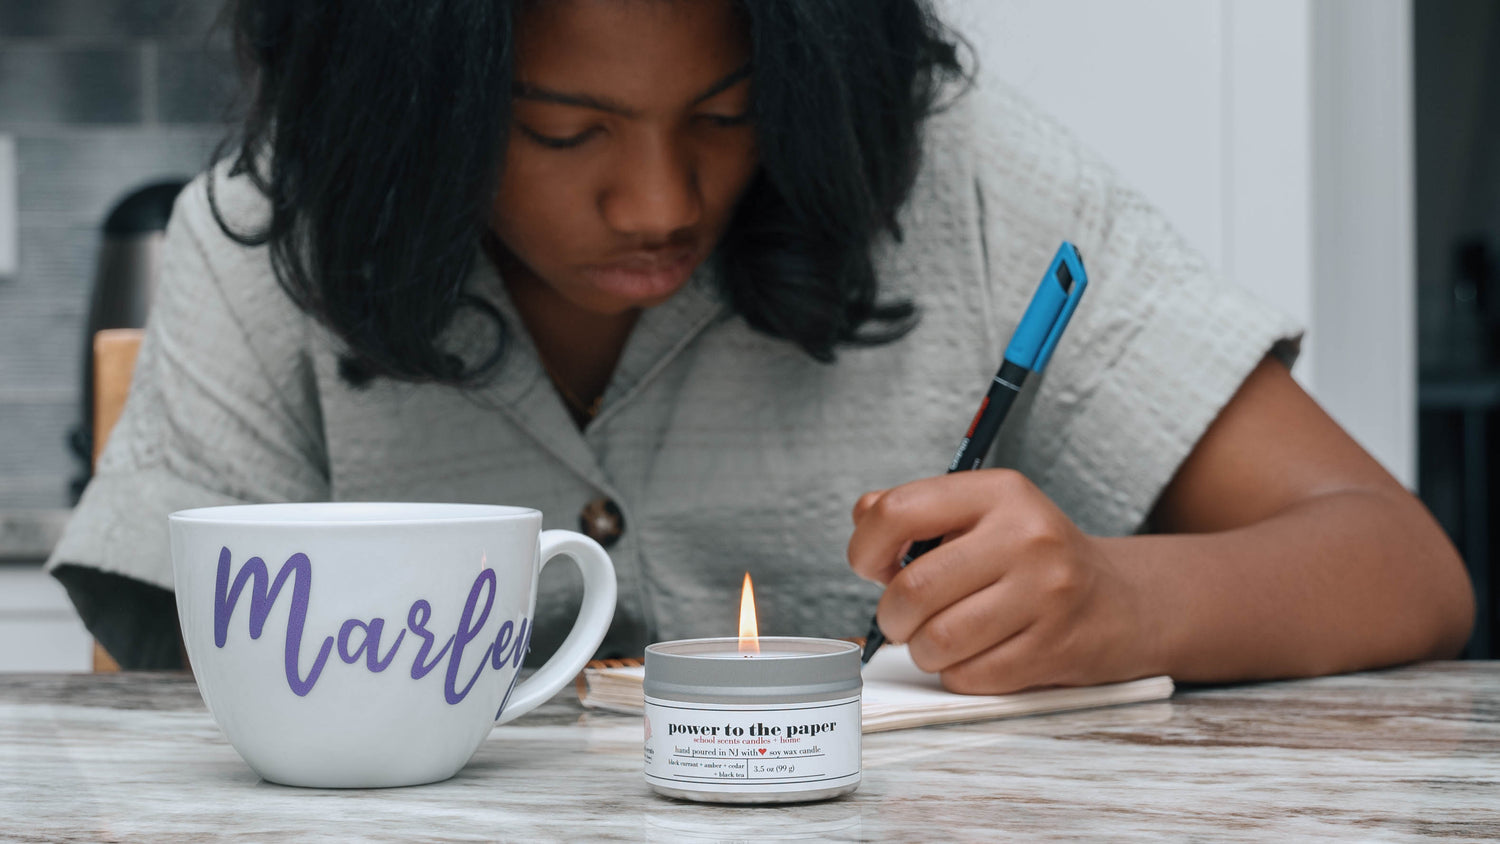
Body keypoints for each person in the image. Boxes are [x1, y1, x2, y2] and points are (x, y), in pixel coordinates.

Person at [49, 0, 1473, 692]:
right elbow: (172, 686)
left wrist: (1126, 602)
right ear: (411, 119)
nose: (662, 203)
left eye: (727, 117)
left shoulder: (944, 174)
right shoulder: (270, 227)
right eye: (564, 133)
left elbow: (1401, 564)